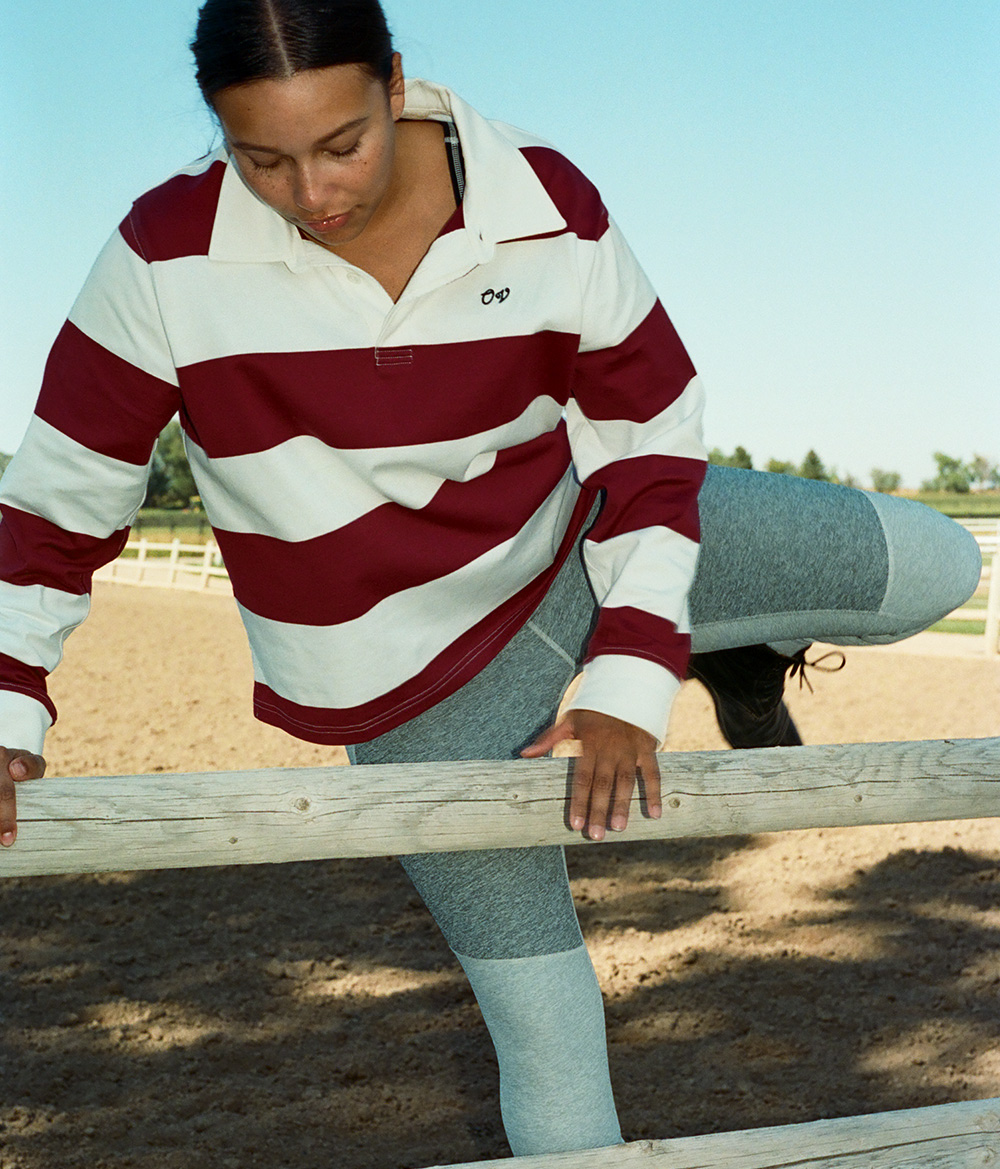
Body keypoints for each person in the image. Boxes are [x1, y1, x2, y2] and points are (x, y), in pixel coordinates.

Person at [0, 0, 980, 1156]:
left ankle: (724, 652)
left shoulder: (544, 201)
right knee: (547, 1027)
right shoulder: (164, 254)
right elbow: (55, 505)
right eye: (261, 158)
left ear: (394, 81)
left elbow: (649, 444)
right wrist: (9, 704)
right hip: (412, 686)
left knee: (937, 563)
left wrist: (631, 670)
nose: (311, 192)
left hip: (575, 538)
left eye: (342, 143)